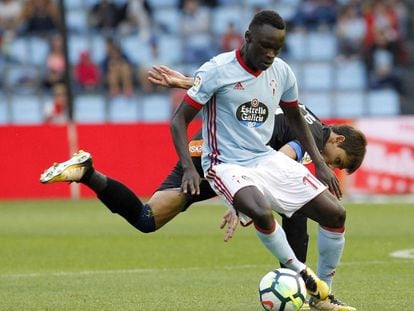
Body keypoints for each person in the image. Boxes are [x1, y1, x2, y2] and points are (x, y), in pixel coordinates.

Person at [40, 67, 365, 311]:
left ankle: (87, 172)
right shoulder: (313, 135)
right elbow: (284, 158)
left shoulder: (306, 116)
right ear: (337, 139)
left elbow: (244, 94)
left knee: (146, 218)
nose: (333, 168)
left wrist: (185, 81)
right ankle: (309, 290)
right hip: (224, 158)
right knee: (297, 209)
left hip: (209, 150)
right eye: (339, 161)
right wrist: (243, 198)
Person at [169, 10, 355, 310]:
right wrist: (189, 168)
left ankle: (322, 295)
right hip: (223, 162)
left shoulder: (281, 72)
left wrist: (320, 164)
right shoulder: (217, 69)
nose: (270, 54)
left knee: (335, 214)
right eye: (265, 46)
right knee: (261, 211)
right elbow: (179, 121)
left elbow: (295, 117)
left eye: (276, 48)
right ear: (248, 38)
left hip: (264, 158)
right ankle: (300, 271)